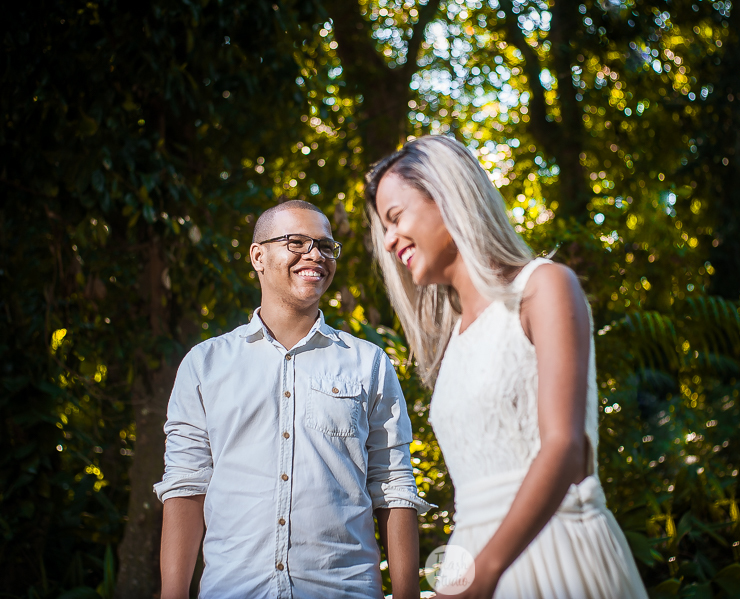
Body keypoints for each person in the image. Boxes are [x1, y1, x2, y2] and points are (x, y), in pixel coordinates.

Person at [365, 136, 649, 599]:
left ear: (446, 196)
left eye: (396, 218)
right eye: (384, 227)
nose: (390, 239)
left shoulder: (544, 286)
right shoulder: (452, 343)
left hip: (557, 554)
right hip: (474, 566)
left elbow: (565, 447)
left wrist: (484, 572)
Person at [154, 199, 430, 599]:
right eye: (297, 242)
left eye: (325, 246)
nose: (315, 255)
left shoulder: (368, 363)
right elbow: (186, 485)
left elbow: (392, 483)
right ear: (258, 256)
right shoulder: (204, 364)